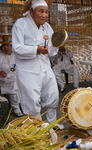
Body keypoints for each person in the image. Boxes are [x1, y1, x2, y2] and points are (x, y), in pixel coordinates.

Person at [12, 0, 63, 128]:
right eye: (41, 11)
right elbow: (17, 48)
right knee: (32, 102)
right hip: (27, 71)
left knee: (53, 96)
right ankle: (35, 129)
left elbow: (51, 52)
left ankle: (52, 125)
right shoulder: (20, 24)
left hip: (45, 68)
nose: (44, 15)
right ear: (31, 11)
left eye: (46, 12)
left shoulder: (47, 27)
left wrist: (57, 44)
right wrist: (37, 49)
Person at [0, 35, 23, 117]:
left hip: (16, 76)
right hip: (3, 78)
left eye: (8, 45)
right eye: (3, 46)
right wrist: (0, 72)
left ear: (11, 46)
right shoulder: (0, 55)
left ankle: (21, 104)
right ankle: (16, 108)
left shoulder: (16, 55)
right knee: (14, 85)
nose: (6, 48)